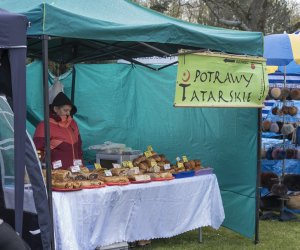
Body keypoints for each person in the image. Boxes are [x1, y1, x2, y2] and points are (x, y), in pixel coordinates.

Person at [33, 92, 83, 169]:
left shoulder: (73, 123)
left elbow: (78, 147)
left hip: (75, 171)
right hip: (55, 173)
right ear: (56, 109)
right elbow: (37, 151)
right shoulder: (44, 125)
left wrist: (81, 164)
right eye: (65, 110)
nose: (68, 113)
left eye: (69, 110)